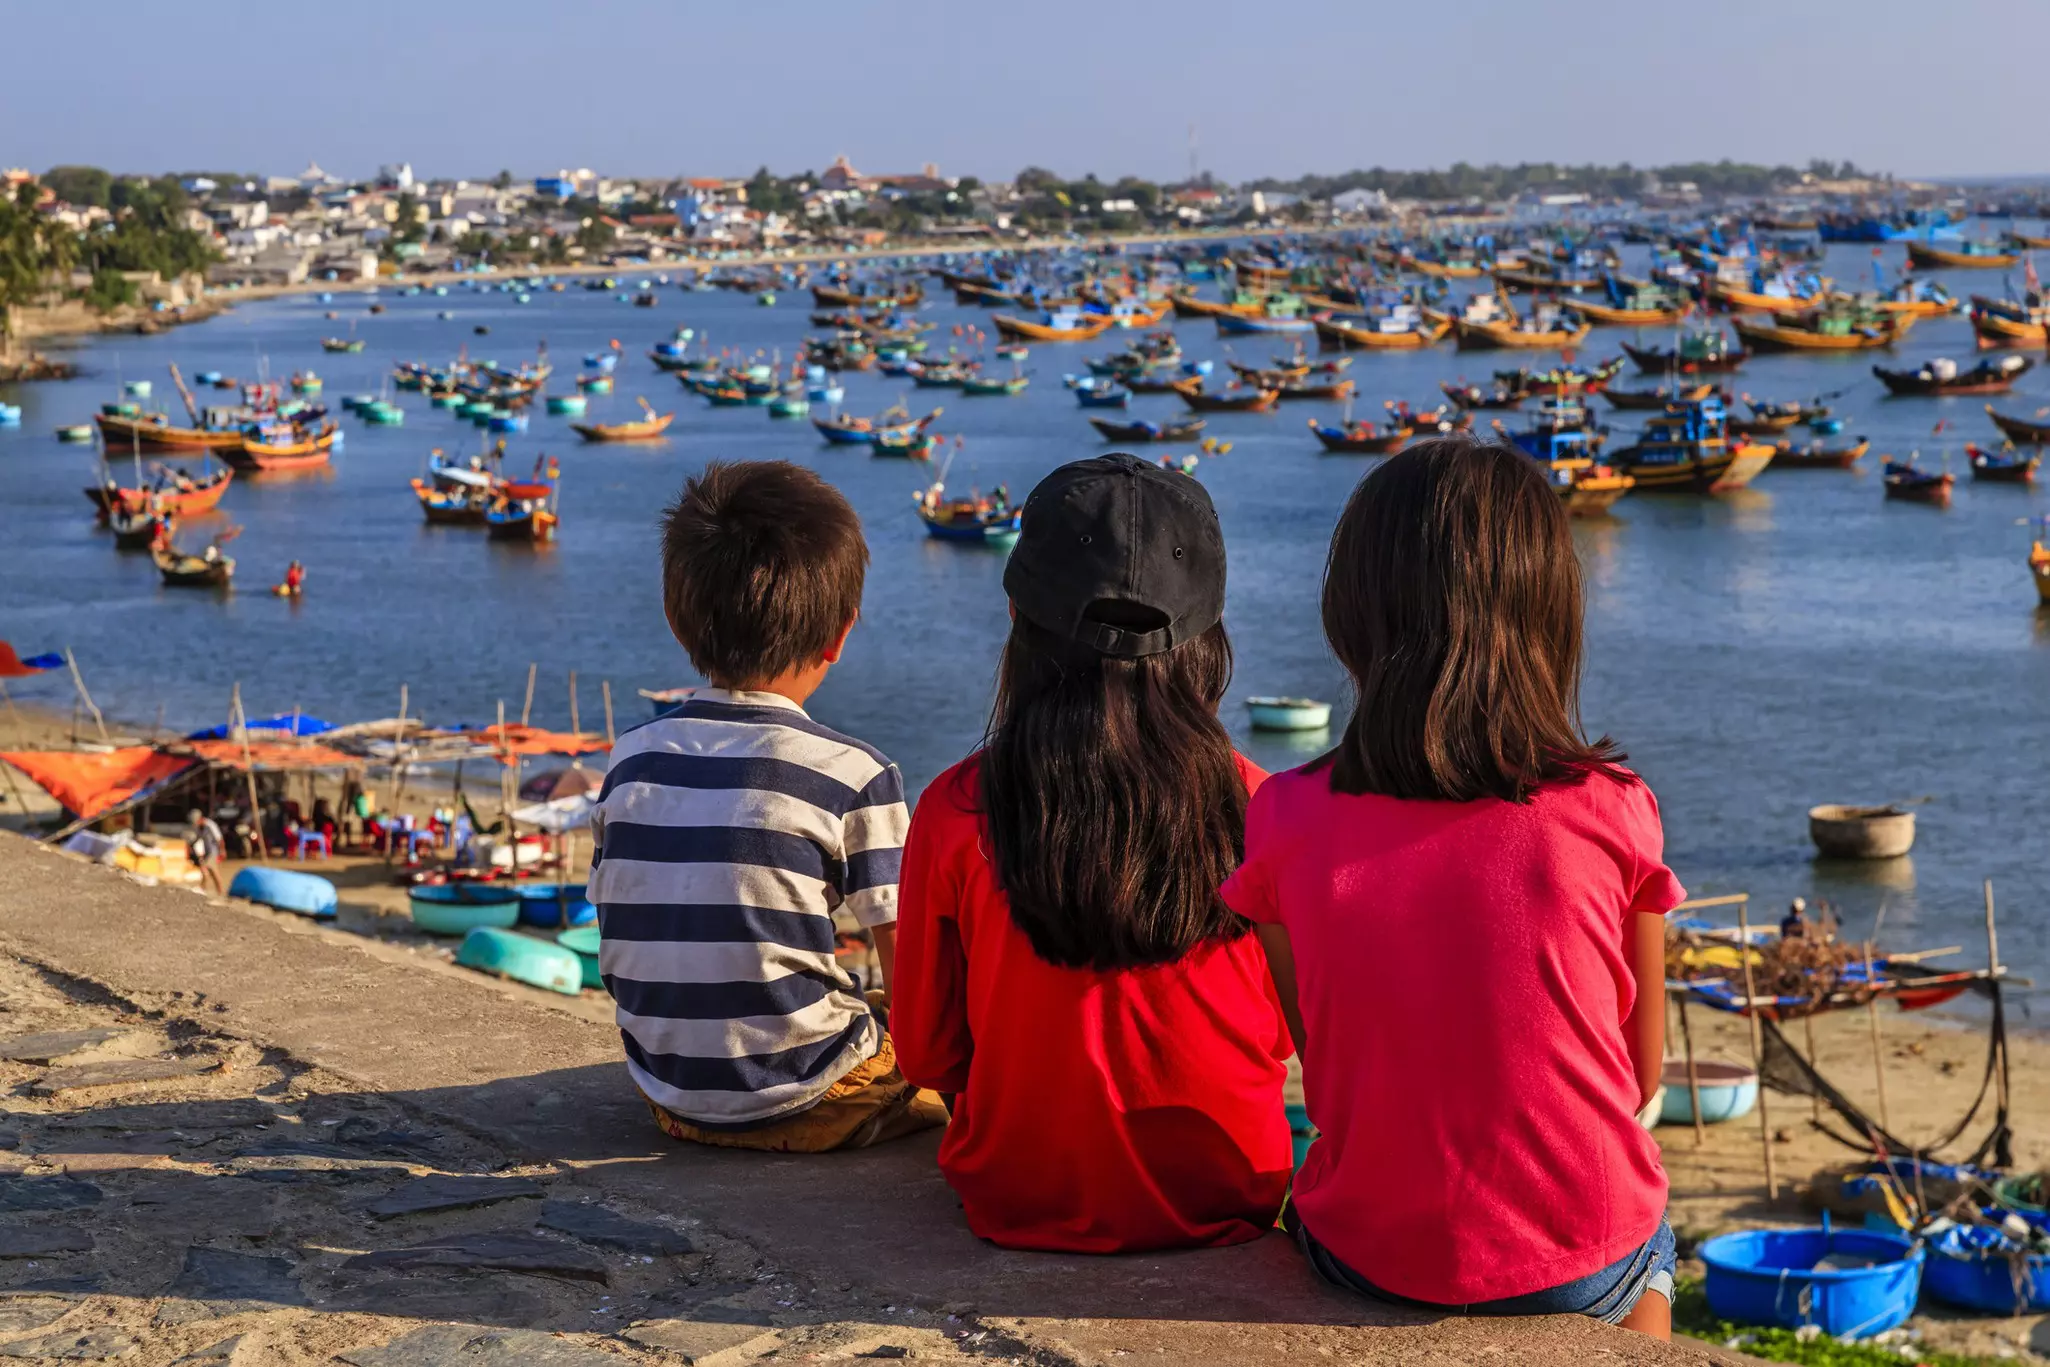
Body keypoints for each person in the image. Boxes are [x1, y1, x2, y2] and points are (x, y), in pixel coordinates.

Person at [1224, 439, 1682, 1337]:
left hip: (1367, 1254)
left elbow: (1327, 1058)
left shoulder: (1282, 814)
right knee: (1646, 1230)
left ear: (1353, 612)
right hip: (1577, 1264)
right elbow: (1637, 1076)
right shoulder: (1615, 807)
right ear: (1550, 612)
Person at [894, 453, 1293, 1253]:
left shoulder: (955, 808)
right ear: (1209, 637)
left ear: (1017, 620)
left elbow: (928, 1051)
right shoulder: (1269, 809)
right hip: (1230, 1191)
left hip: (1015, 1195)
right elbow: (1285, 1034)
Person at [587, 460, 945, 1153]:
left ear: (673, 615)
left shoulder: (630, 759)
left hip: (669, 1092)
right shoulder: (857, 774)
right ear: (840, 634)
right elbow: (913, 977)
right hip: (811, 1097)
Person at [186, 808, 226, 895]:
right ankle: (217, 891)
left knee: (209, 870)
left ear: (200, 819)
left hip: (213, 851)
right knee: (211, 872)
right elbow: (196, 839)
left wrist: (222, 851)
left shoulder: (210, 825)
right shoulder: (198, 827)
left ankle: (204, 888)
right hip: (206, 852)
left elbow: (219, 839)